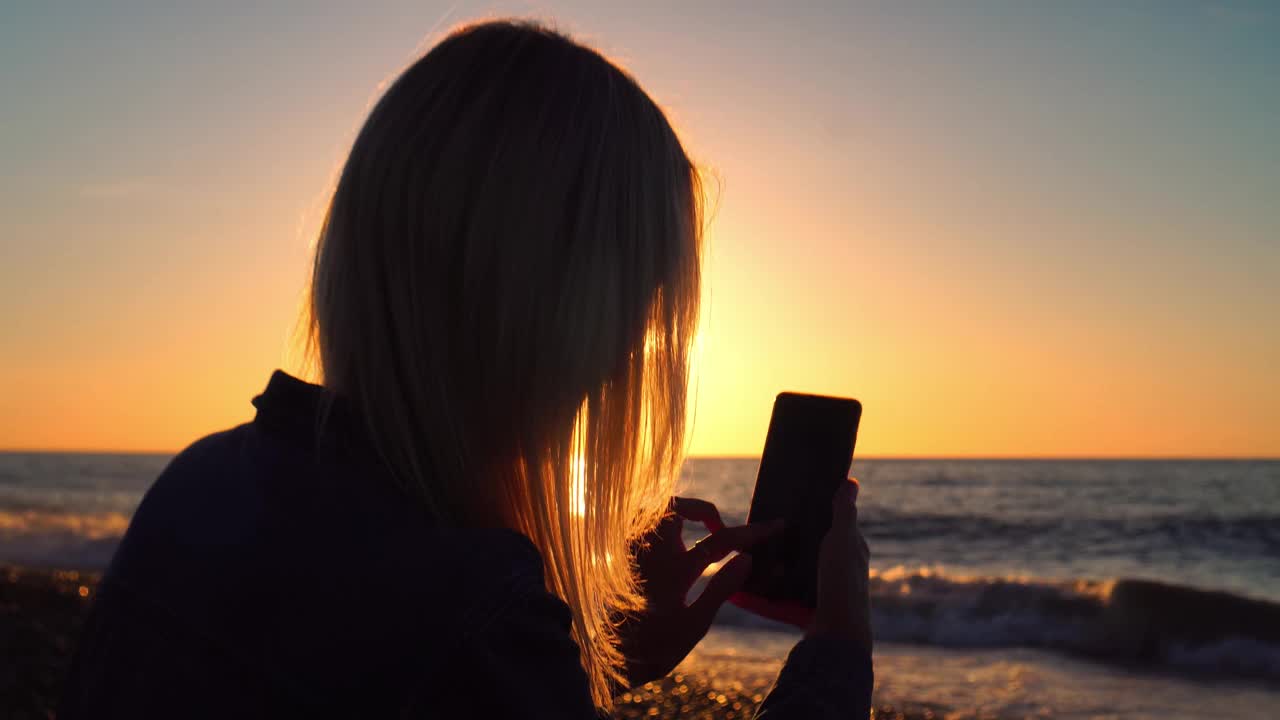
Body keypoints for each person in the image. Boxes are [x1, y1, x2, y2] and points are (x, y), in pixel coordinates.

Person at [60, 20, 872, 719]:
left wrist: (587, 674)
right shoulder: (470, 616)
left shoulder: (200, 484)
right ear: (548, 305)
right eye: (640, 311)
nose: (634, 352)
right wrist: (835, 652)